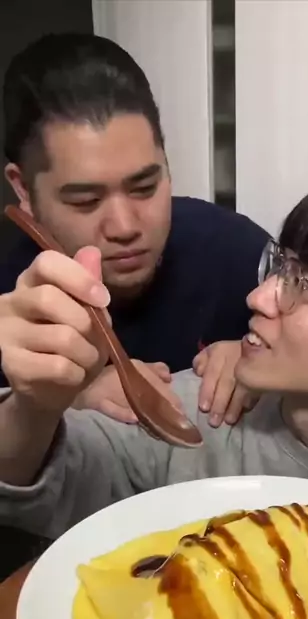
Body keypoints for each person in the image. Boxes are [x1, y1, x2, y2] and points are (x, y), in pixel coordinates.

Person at [1, 173, 308, 565]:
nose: (258, 297)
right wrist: (35, 405)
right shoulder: (200, 407)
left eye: (302, 286)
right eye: (280, 267)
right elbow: (39, 487)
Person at [0, 32, 269, 426]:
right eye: (86, 200)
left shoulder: (235, 250)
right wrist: (54, 401)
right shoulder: (11, 307)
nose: (125, 227)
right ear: (24, 188)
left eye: (144, 187)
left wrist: (259, 358)